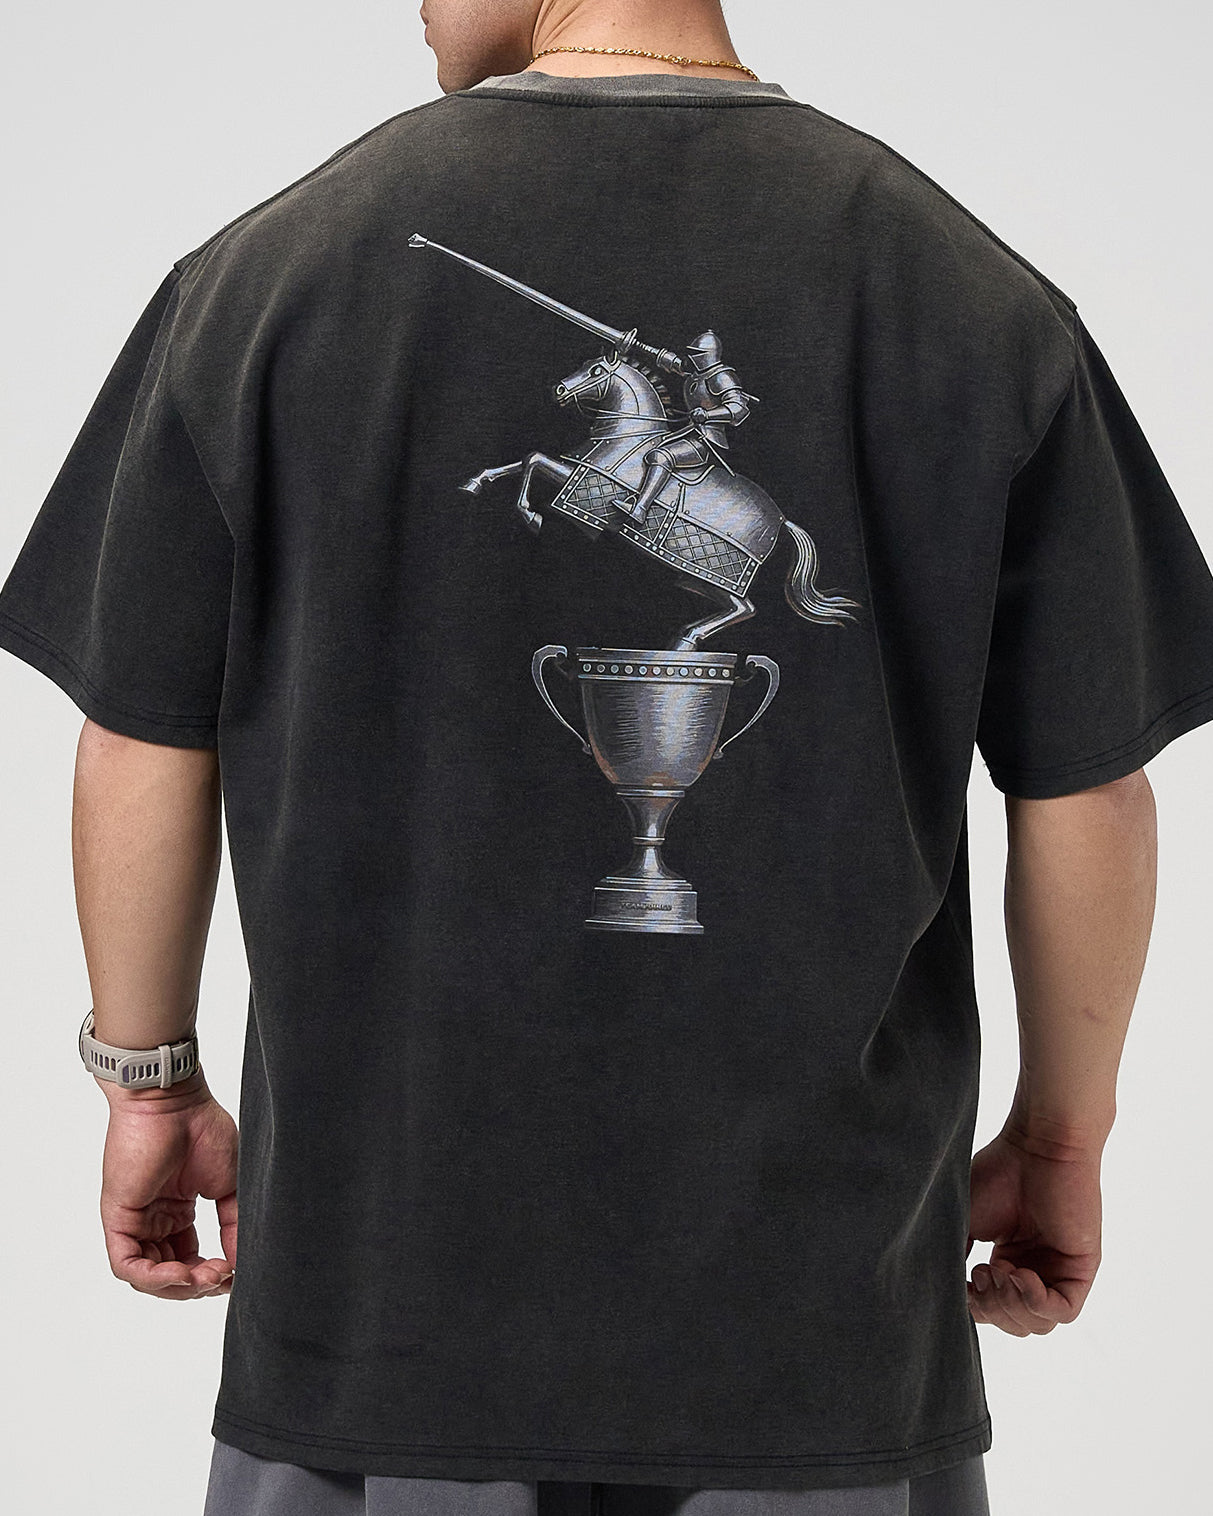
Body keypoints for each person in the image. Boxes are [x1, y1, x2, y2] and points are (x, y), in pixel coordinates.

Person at [1, 3, 1210, 1514]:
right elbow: (1088, 785)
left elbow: (139, 736)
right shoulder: (969, 292)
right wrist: (1060, 1139)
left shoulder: (261, 280)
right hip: (819, 1339)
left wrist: (149, 1084)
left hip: (380, 1331)